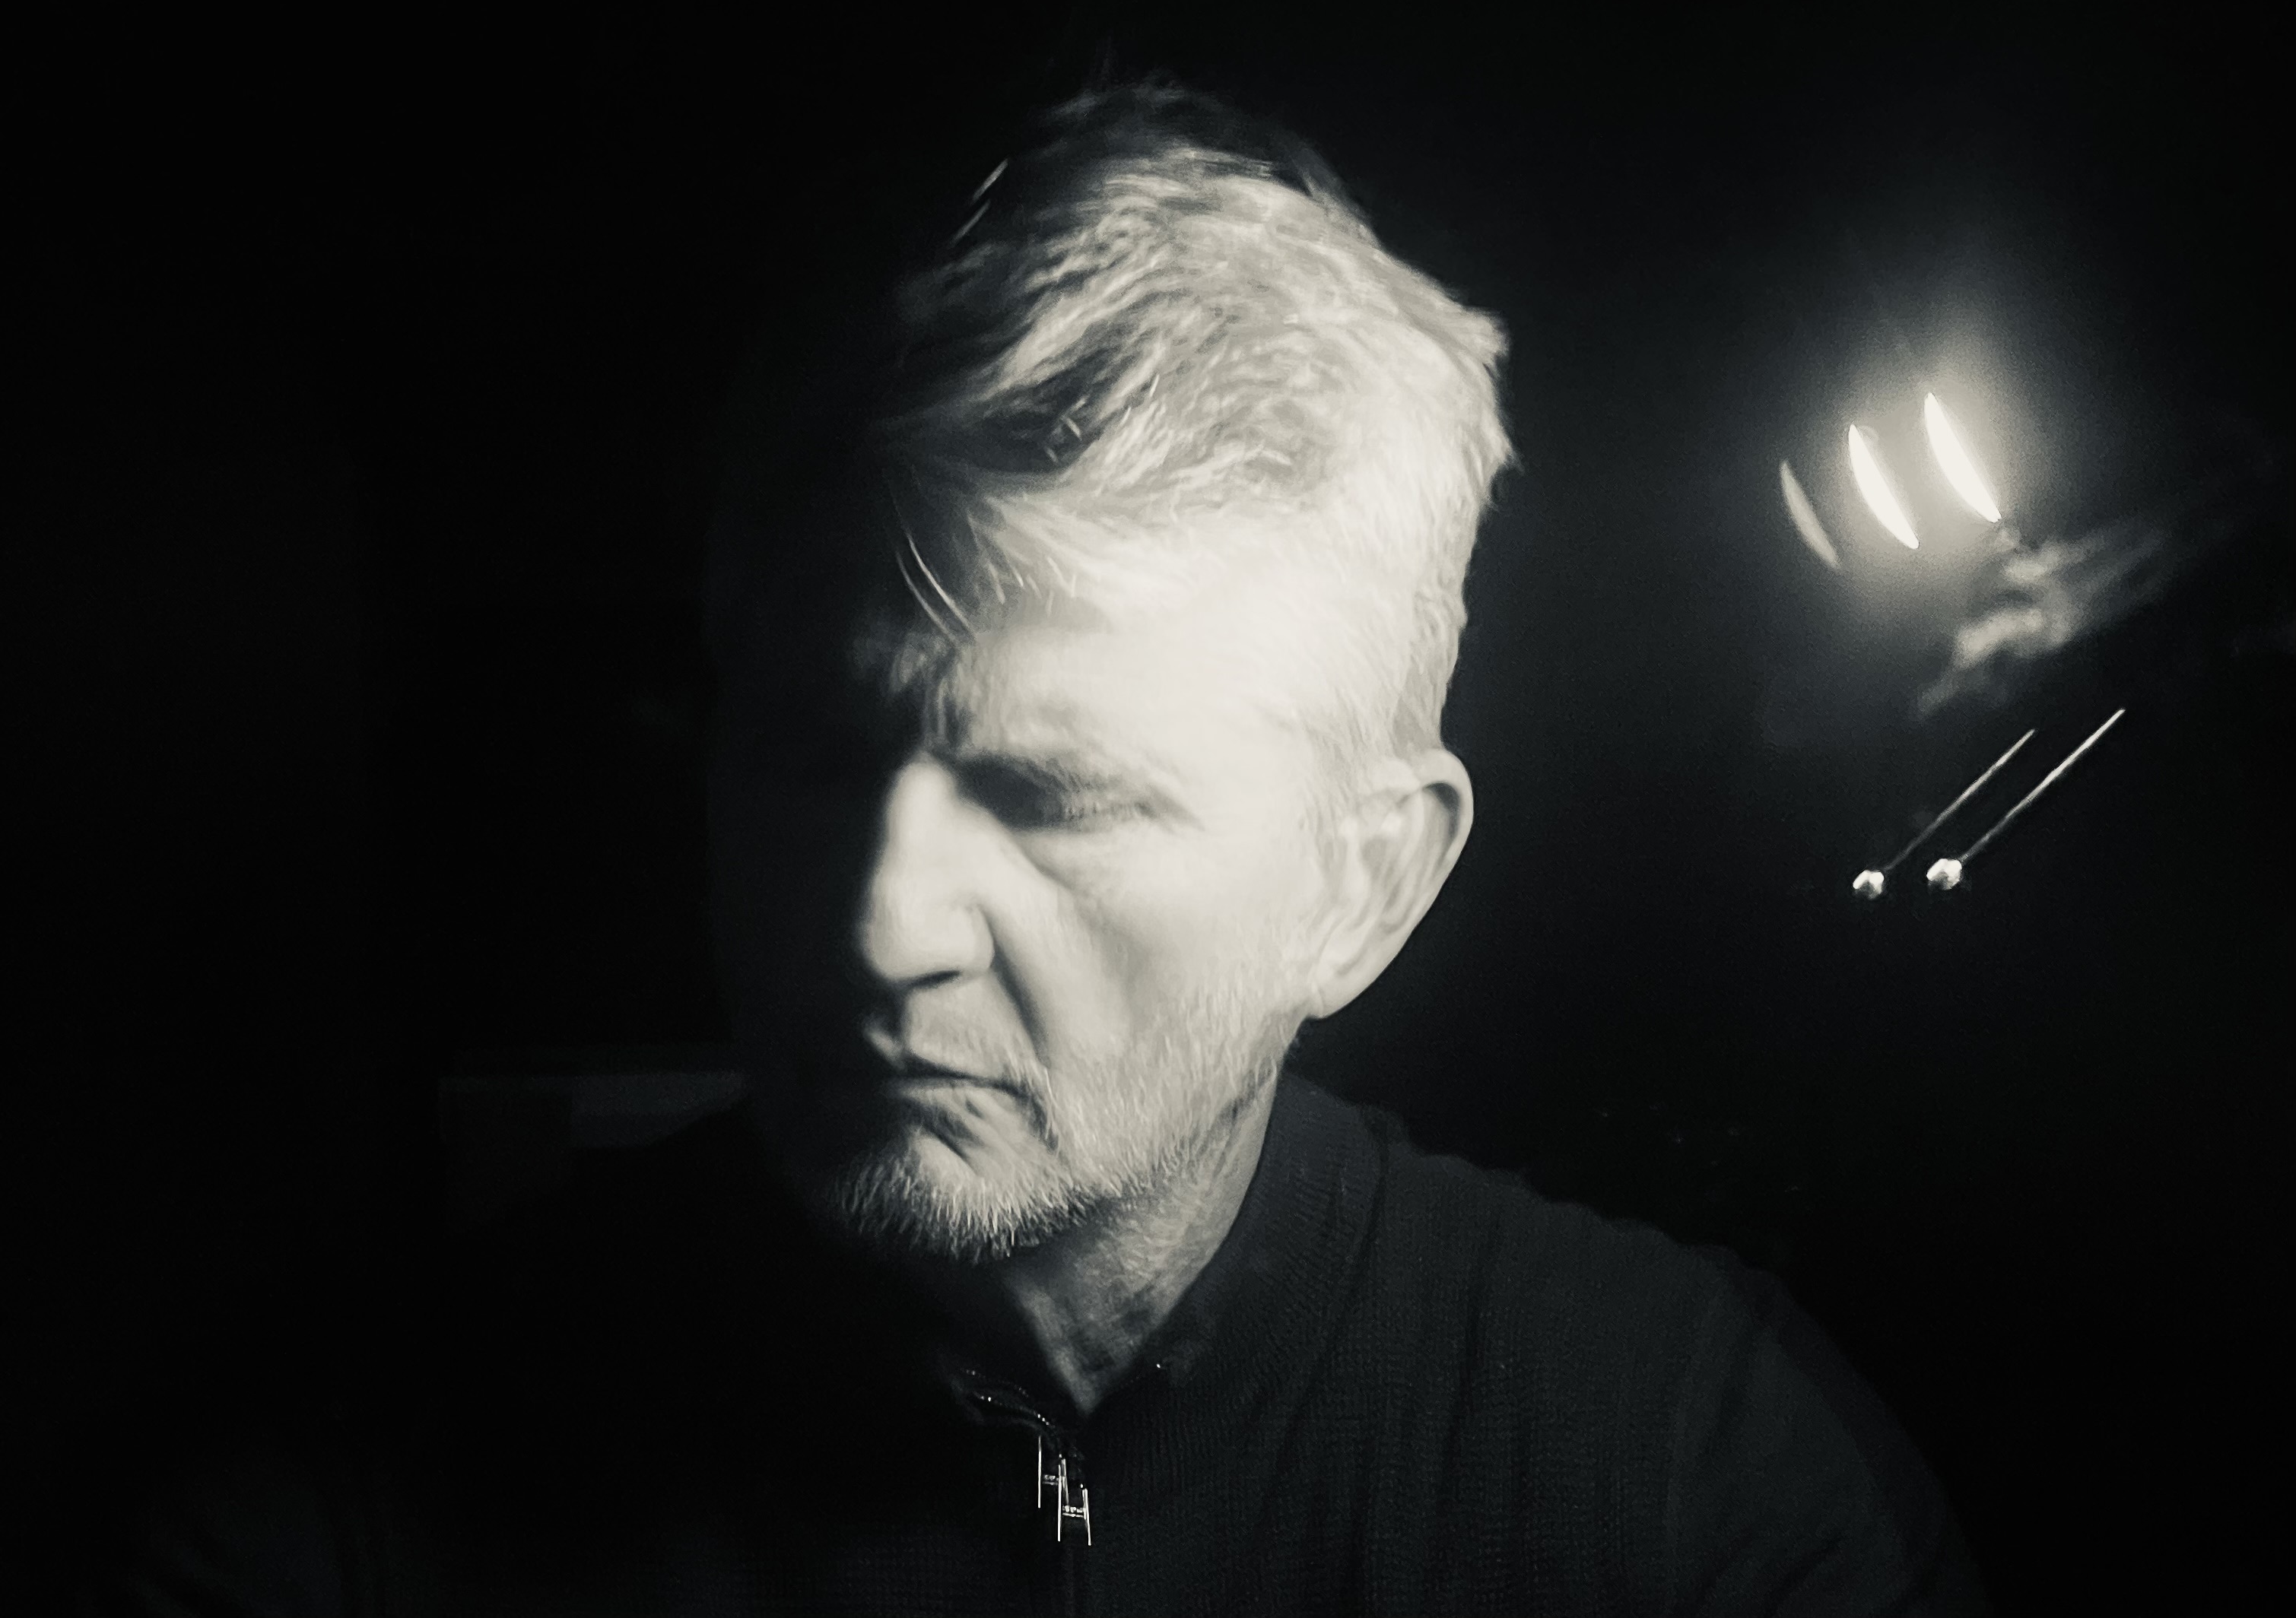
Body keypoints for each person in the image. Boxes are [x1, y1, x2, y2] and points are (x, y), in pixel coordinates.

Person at [85, 81, 1987, 1616]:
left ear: (1360, 886)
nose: (879, 923)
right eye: (813, 752)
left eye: (1056, 796)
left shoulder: (1692, 1483)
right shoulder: (333, 1512)